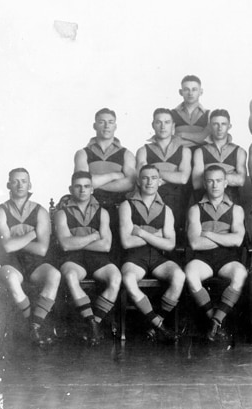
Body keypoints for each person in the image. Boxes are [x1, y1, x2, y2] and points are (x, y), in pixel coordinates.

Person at [119, 165, 185, 342]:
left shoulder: (166, 210)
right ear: (139, 181)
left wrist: (141, 233)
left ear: (160, 181)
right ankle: (160, 326)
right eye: (145, 178)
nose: (149, 182)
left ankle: (156, 324)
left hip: (158, 257)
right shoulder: (127, 205)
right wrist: (157, 235)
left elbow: (170, 244)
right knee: (128, 279)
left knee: (179, 276)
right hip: (134, 257)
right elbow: (126, 242)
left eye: (154, 178)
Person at [54, 171, 122, 345]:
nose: (82, 190)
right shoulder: (62, 213)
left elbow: (105, 245)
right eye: (78, 186)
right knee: (70, 276)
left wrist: (76, 240)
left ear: (92, 189)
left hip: (98, 258)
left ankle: (94, 325)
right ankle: (92, 325)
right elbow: (65, 245)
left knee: (115, 278)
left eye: (86, 186)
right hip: (73, 258)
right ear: (71, 189)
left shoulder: (103, 212)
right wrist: (92, 237)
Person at [0, 168, 61, 346]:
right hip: (10, 262)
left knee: (54, 275)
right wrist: (32, 234)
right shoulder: (1, 211)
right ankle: (32, 326)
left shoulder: (40, 211)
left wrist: (15, 241)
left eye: (23, 181)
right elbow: (7, 247)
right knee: (10, 278)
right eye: (15, 181)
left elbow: (42, 249)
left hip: (35, 262)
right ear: (8, 185)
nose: (20, 185)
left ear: (30, 184)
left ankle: (34, 325)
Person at [185, 165, 247, 342]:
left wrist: (209, 234)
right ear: (205, 184)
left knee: (241, 273)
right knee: (190, 273)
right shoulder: (195, 209)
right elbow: (195, 243)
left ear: (226, 183)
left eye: (219, 181)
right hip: (202, 259)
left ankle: (215, 321)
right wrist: (225, 236)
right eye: (210, 181)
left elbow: (237, 241)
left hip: (228, 258)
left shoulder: (236, 209)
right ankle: (216, 319)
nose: (215, 185)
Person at [74, 108, 137, 262]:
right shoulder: (83, 153)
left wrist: (94, 183)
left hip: (118, 209)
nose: (106, 126)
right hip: (90, 209)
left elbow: (130, 183)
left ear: (115, 126)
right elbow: (82, 182)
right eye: (102, 122)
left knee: (118, 255)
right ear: (94, 126)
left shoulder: (126, 153)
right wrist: (114, 175)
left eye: (110, 122)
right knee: (94, 253)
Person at [135, 108, 192, 244]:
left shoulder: (184, 150)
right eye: (158, 122)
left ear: (173, 126)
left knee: (174, 240)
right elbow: (140, 177)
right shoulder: (143, 150)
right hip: (150, 201)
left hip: (177, 202)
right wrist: (172, 173)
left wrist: (153, 173)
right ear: (153, 125)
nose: (162, 126)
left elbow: (183, 178)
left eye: (167, 122)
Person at [192, 109, 247, 205]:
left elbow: (241, 180)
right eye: (215, 124)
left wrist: (209, 178)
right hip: (206, 203)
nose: (220, 128)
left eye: (223, 124)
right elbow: (196, 183)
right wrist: (230, 175)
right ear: (210, 126)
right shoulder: (200, 151)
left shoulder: (239, 151)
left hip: (232, 203)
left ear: (229, 126)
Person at [171, 75, 211, 147]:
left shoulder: (209, 115)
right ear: (180, 92)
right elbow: (168, 142)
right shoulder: (172, 114)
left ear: (201, 92)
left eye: (194, 89)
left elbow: (210, 139)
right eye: (186, 89)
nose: (190, 93)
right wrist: (201, 137)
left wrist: (182, 135)